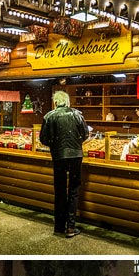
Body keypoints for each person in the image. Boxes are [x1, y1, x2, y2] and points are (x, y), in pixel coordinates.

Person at [39, 90, 89, 237]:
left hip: (58, 156)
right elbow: (85, 134)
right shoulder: (77, 114)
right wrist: (75, 143)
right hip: (75, 156)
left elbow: (43, 139)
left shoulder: (49, 116)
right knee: (73, 190)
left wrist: (55, 145)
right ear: (67, 102)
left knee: (60, 190)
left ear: (55, 103)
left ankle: (59, 227)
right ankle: (71, 227)